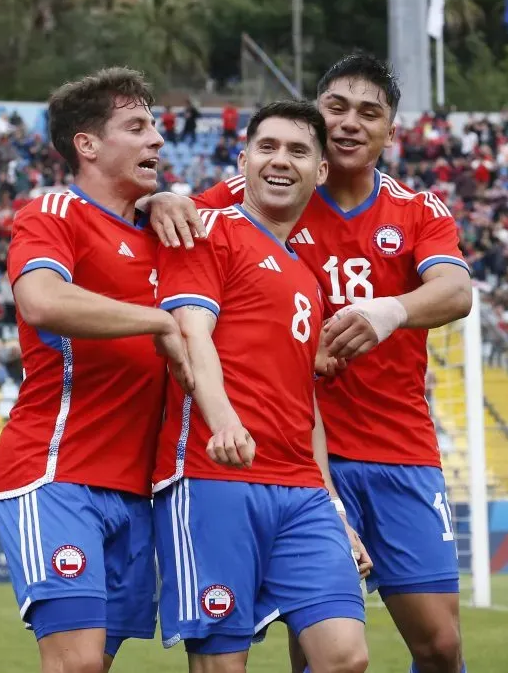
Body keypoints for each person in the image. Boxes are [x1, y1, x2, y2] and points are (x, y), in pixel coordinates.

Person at [146, 53, 473, 673]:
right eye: (336, 108)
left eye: (368, 113)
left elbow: (457, 291)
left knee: (440, 643)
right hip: (295, 455)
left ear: (390, 131)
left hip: (396, 447)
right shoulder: (266, 188)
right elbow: (186, 218)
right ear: (318, 119)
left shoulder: (415, 209)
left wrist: (390, 312)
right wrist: (161, 197)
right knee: (318, 645)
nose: (350, 122)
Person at [0, 67, 192, 673]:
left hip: (137, 492)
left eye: (154, 126)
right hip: (57, 469)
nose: (156, 139)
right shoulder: (53, 210)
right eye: (136, 126)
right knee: (74, 663)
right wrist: (157, 321)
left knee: (94, 664)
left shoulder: (162, 229)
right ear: (87, 144)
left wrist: (171, 198)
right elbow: (42, 300)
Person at [152, 101, 368, 673]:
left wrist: (335, 504)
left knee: (345, 656)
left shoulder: (307, 275)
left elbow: (305, 401)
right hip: (213, 474)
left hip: (302, 490)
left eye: (299, 151)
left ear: (321, 170)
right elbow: (191, 334)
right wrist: (224, 421)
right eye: (267, 147)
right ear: (242, 158)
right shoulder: (209, 230)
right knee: (223, 666)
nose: (281, 161)